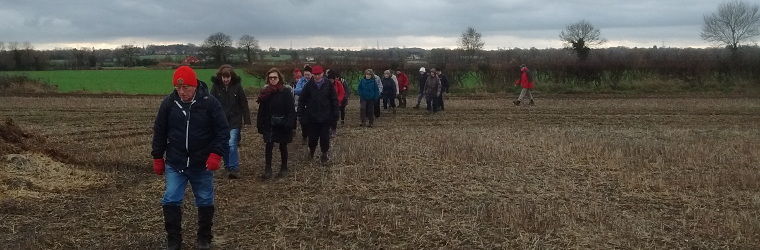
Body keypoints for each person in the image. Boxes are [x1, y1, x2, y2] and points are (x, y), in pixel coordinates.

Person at [151, 66, 229, 250]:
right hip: (175, 162)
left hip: (201, 163)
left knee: (204, 200)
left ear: (194, 86)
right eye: (178, 88)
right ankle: (173, 240)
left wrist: (216, 154)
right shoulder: (169, 104)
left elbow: (222, 131)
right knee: (170, 199)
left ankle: (204, 238)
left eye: (186, 87)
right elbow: (159, 131)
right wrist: (157, 156)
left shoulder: (210, 103)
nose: (182, 92)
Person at [209, 64, 251, 179]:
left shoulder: (237, 86)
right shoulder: (216, 87)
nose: (226, 79)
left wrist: (247, 119)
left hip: (235, 119)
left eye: (228, 77)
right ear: (221, 77)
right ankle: (227, 165)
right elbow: (211, 103)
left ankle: (233, 168)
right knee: (225, 144)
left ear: (231, 77)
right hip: (221, 120)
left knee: (232, 143)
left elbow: (243, 103)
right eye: (224, 77)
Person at [256, 68, 296, 179]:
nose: (273, 79)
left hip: (283, 123)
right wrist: (260, 124)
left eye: (275, 77)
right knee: (268, 146)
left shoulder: (286, 92)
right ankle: (267, 169)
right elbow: (261, 110)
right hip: (269, 123)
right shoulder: (265, 93)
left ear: (279, 78)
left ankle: (284, 167)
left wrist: (290, 124)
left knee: (283, 146)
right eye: (270, 78)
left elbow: (291, 110)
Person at [297, 65, 339, 165]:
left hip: (325, 117)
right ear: (312, 75)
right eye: (315, 75)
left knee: (325, 137)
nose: (317, 76)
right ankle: (311, 151)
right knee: (312, 138)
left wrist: (335, 113)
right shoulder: (308, 85)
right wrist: (300, 114)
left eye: (319, 74)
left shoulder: (328, 84)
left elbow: (334, 100)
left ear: (323, 74)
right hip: (312, 117)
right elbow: (302, 100)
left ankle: (324, 155)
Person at [293, 65, 313, 144]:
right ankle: (304, 136)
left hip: (313, 105)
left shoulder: (315, 80)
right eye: (305, 75)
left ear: (311, 74)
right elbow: (297, 91)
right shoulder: (301, 81)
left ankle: (312, 137)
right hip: (303, 105)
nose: (307, 76)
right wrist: (307, 90)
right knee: (303, 123)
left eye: (308, 75)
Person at [327, 70, 345, 137]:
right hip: (327, 104)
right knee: (328, 117)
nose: (331, 81)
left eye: (332, 79)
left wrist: (338, 99)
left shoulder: (338, 83)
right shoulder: (326, 84)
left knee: (334, 117)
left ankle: (333, 130)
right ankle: (328, 130)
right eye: (330, 79)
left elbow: (342, 92)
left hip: (336, 103)